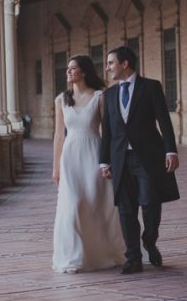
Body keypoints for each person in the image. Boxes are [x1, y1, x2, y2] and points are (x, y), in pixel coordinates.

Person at [98, 46, 180, 274]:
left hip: (147, 158)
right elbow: (108, 131)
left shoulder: (151, 87)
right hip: (120, 159)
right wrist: (104, 161)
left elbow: (164, 121)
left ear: (125, 64)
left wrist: (170, 151)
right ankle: (133, 257)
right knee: (125, 209)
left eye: (111, 63)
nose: (108, 68)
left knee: (150, 203)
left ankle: (149, 240)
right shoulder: (109, 94)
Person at [52, 55, 125, 273]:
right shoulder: (61, 100)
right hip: (70, 156)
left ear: (84, 72)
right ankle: (74, 257)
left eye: (73, 68)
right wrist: (56, 166)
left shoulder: (99, 97)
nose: (68, 72)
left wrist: (109, 160)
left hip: (94, 152)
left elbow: (107, 131)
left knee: (96, 203)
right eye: (67, 68)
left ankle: (103, 253)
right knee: (72, 203)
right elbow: (58, 136)